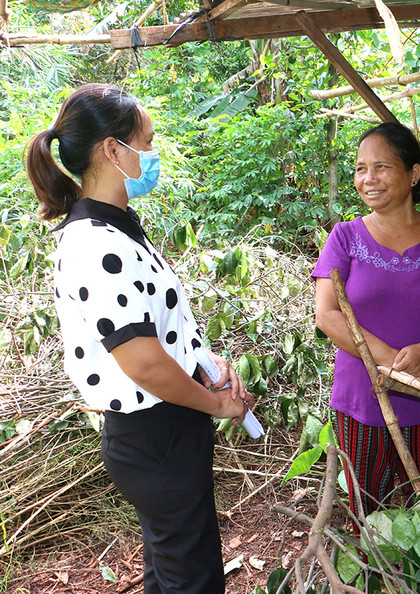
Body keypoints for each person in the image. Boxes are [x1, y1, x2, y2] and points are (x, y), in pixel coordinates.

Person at [25, 83, 252, 594]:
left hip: (162, 428)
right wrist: (215, 405)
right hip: (155, 431)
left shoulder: (117, 227)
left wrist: (205, 361)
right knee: (190, 577)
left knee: (172, 566)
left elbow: (157, 328)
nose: (152, 154)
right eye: (146, 142)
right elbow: (144, 364)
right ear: (112, 149)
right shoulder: (95, 244)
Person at [313, 122, 420, 518]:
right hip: (362, 398)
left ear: (414, 174)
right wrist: (387, 359)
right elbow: (326, 315)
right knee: (368, 513)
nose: (368, 179)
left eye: (381, 167)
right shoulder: (344, 237)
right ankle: (376, 579)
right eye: (359, 168)